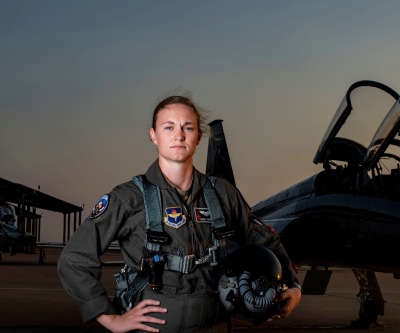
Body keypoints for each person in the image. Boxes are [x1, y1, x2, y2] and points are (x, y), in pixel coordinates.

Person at [57, 95, 302, 333]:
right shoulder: (128, 198)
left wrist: (294, 287)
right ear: (153, 135)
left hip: (215, 324)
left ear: (198, 137)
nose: (179, 135)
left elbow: (267, 241)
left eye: (188, 127)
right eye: (168, 127)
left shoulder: (224, 195)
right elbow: (74, 258)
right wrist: (109, 317)